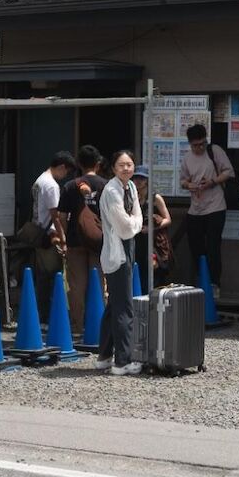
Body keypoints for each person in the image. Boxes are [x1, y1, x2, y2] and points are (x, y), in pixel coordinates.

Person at [95, 150, 144, 376]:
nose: (127, 168)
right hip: (116, 251)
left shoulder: (130, 187)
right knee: (124, 306)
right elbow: (125, 229)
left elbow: (137, 216)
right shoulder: (112, 190)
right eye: (122, 165)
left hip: (127, 247)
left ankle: (104, 356)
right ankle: (122, 361)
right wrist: (135, 223)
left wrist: (133, 222)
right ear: (113, 168)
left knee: (115, 304)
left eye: (130, 164)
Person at [180, 123, 235, 296]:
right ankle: (201, 280)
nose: (200, 147)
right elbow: (182, 180)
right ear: (190, 144)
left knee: (213, 246)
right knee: (196, 247)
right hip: (195, 208)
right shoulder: (187, 158)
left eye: (202, 143)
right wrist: (190, 185)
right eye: (196, 145)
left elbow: (229, 171)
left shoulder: (215, 151)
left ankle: (214, 284)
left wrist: (213, 181)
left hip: (216, 206)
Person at [56, 145, 106, 334]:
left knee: (77, 285)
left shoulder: (70, 186)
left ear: (78, 164)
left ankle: (77, 327)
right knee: (99, 283)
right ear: (98, 163)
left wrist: (64, 239)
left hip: (75, 241)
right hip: (99, 242)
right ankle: (98, 325)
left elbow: (61, 217)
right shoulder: (105, 185)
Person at [17, 151, 74, 312]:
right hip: (50, 236)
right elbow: (56, 216)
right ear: (62, 167)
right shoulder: (51, 185)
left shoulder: (39, 180)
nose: (65, 175)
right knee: (51, 276)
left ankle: (43, 314)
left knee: (43, 275)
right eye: (66, 171)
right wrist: (63, 240)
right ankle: (46, 314)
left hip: (38, 232)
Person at [130, 165, 172, 278]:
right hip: (138, 239)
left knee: (156, 270)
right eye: (136, 178)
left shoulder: (155, 198)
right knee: (139, 269)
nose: (138, 181)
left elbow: (168, 219)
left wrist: (152, 228)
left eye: (142, 178)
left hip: (155, 240)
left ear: (147, 180)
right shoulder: (133, 198)